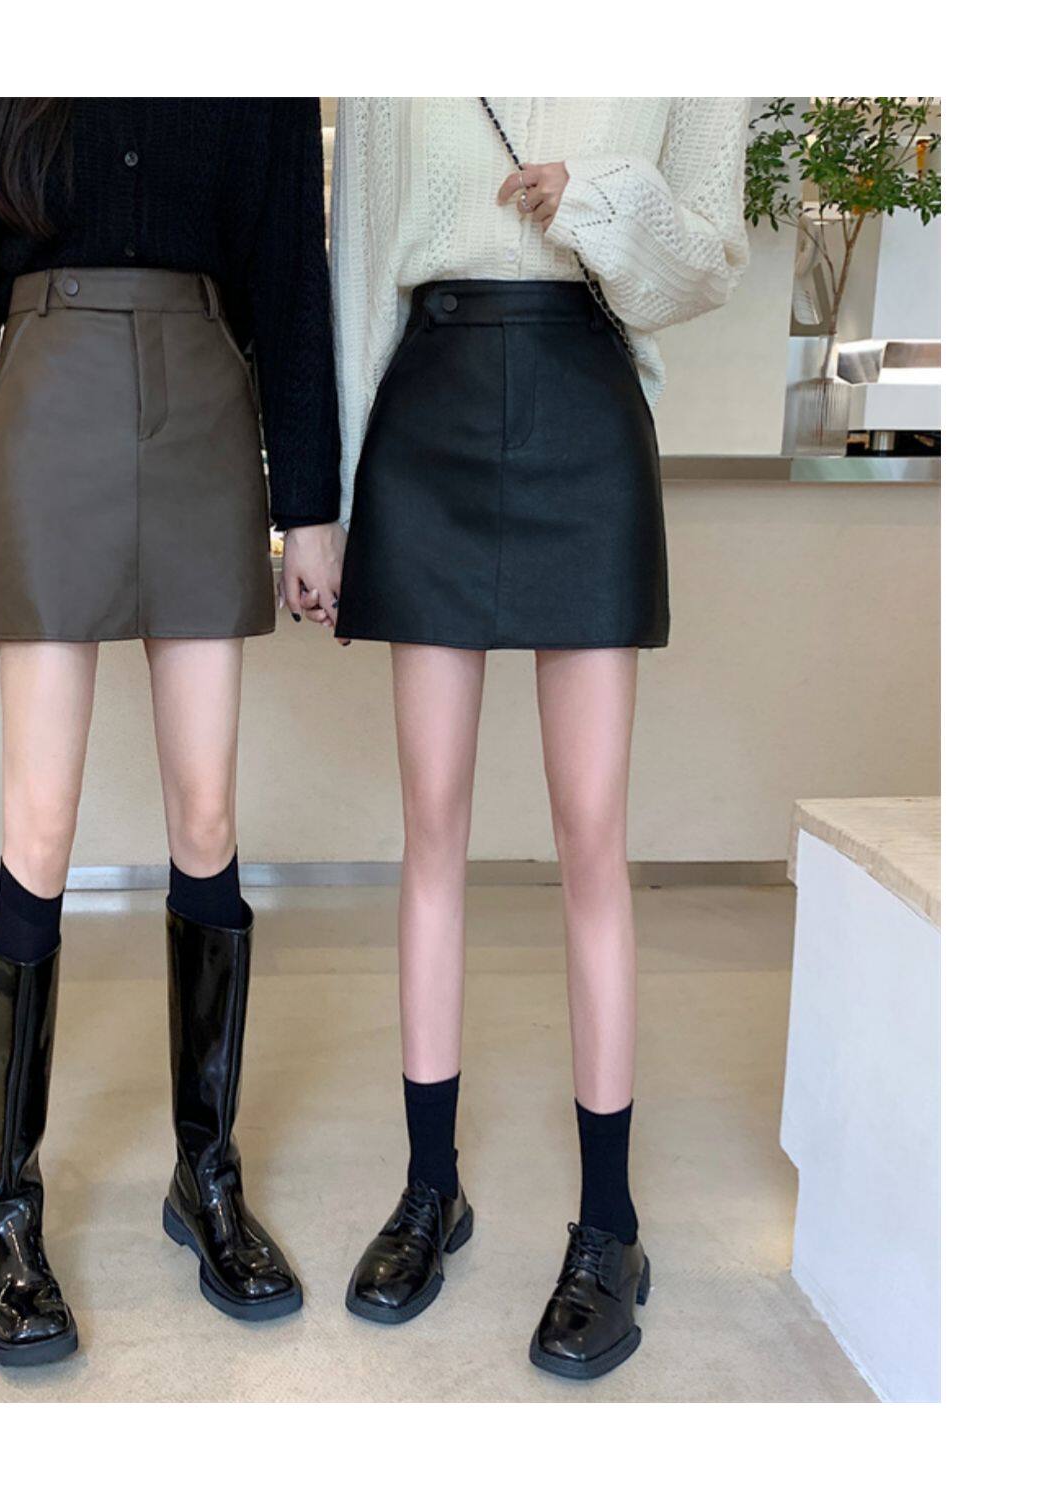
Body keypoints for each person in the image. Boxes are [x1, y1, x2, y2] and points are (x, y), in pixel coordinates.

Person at [0, 98, 344, 1366]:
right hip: (47, 392)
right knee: (39, 826)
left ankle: (206, 1175)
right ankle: (4, 1209)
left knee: (208, 816)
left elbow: (290, 272)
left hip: (206, 398)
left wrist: (311, 503)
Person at [328, 97, 749, 1378]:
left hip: (586, 403)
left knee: (590, 840)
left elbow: (710, 260)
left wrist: (602, 195)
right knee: (432, 829)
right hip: (427, 413)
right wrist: (327, 507)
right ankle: (429, 1188)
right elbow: (359, 267)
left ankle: (610, 1227)